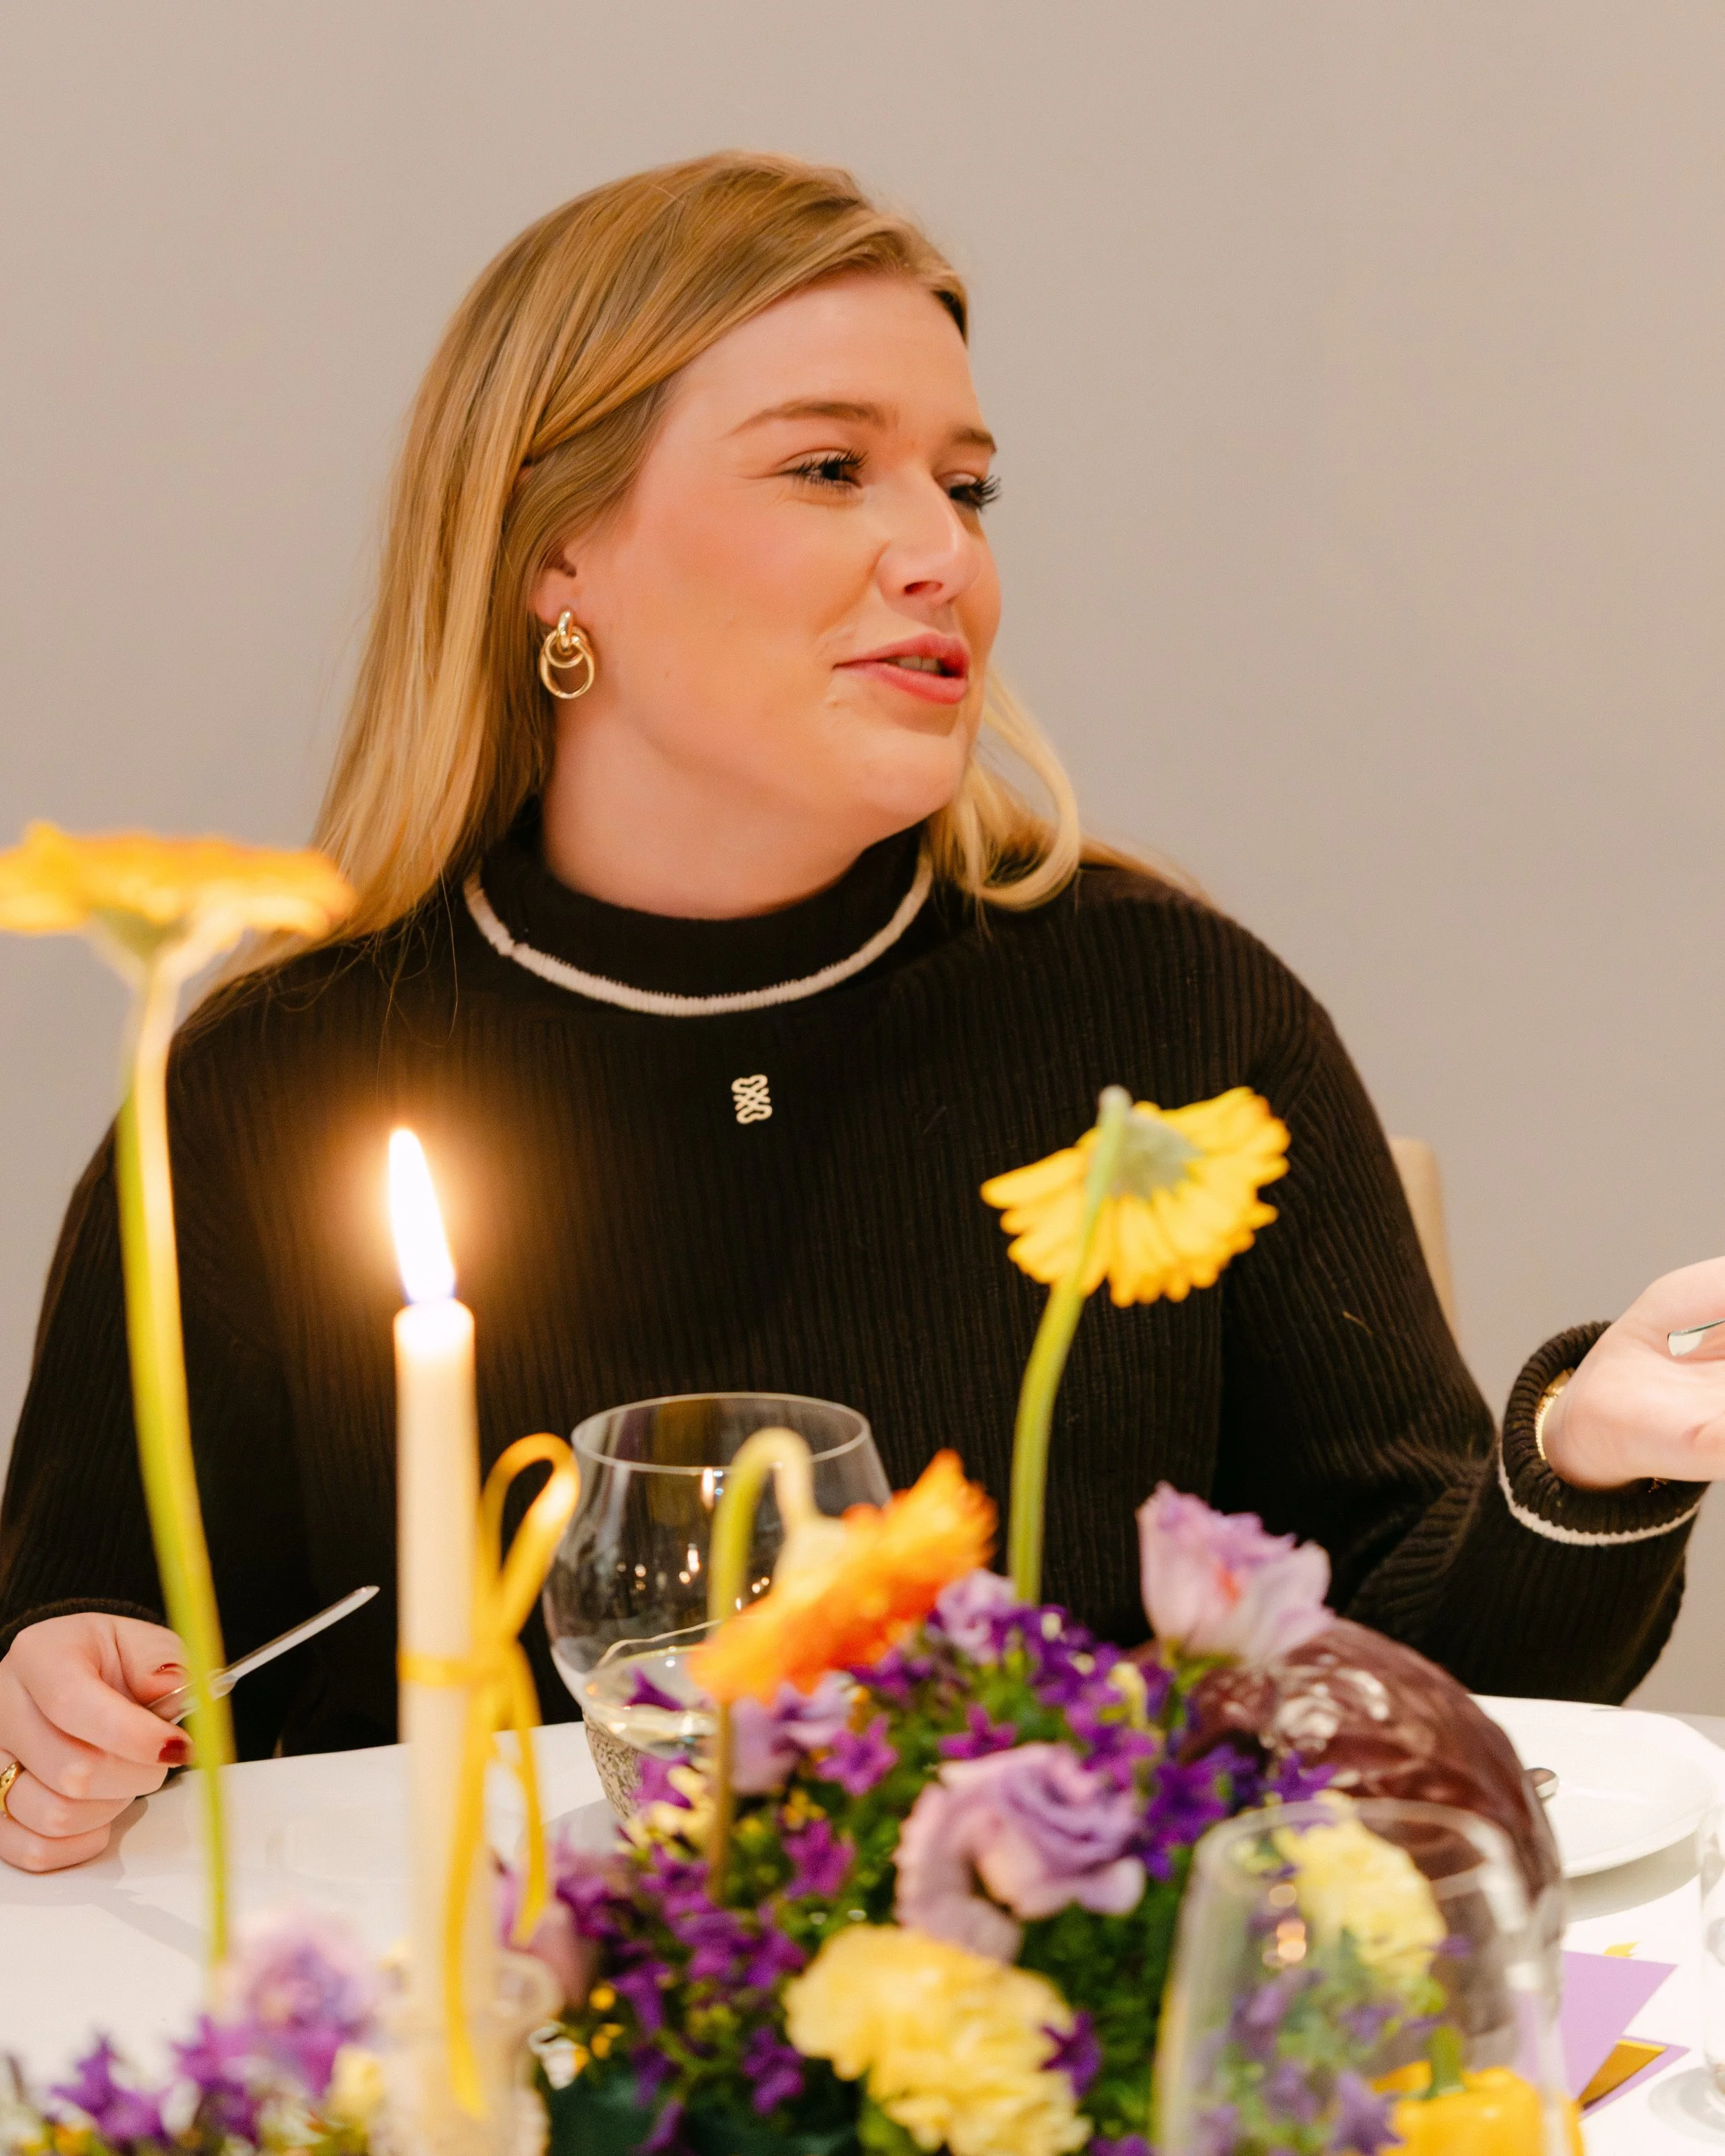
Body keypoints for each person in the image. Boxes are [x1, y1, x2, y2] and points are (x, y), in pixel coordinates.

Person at [1, 152, 1721, 1878]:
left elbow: (1432, 1701)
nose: (939, 555)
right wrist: (66, 1692)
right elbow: (89, 1640)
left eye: (965, 487)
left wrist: (1580, 1463)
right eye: (830, 468)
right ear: (555, 552)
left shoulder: (1168, 1010)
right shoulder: (264, 1083)